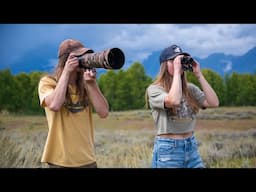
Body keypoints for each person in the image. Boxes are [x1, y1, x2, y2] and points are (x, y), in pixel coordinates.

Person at [38, 39, 109, 168]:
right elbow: (54, 105)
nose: (83, 60)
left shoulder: (85, 83)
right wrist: (66, 72)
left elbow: (103, 112)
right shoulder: (48, 82)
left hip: (88, 160)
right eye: (79, 56)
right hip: (60, 161)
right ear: (66, 60)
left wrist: (91, 84)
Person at [146, 44, 219, 168]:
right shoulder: (155, 89)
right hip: (168, 149)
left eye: (180, 60)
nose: (178, 64)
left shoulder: (190, 89)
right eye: (174, 60)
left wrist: (198, 74)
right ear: (164, 64)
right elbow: (173, 100)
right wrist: (176, 73)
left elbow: (214, 103)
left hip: (191, 147)